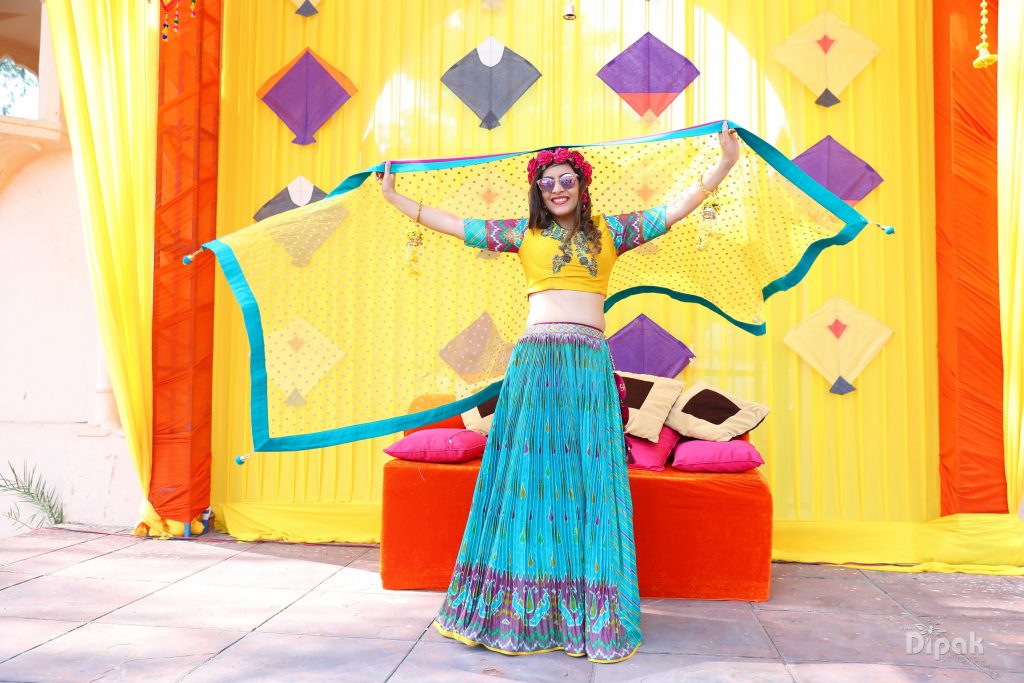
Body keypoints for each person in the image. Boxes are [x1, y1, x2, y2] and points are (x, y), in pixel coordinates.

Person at [378, 121, 740, 663]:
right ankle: (520, 604)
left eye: (565, 178)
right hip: (535, 365)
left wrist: (723, 166)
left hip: (588, 367)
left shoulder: (610, 232)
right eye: (547, 182)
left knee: (586, 479)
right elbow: (455, 224)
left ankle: (588, 605)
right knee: (529, 479)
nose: (557, 188)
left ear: (581, 183)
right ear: (538, 191)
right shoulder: (522, 235)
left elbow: (674, 209)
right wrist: (395, 197)